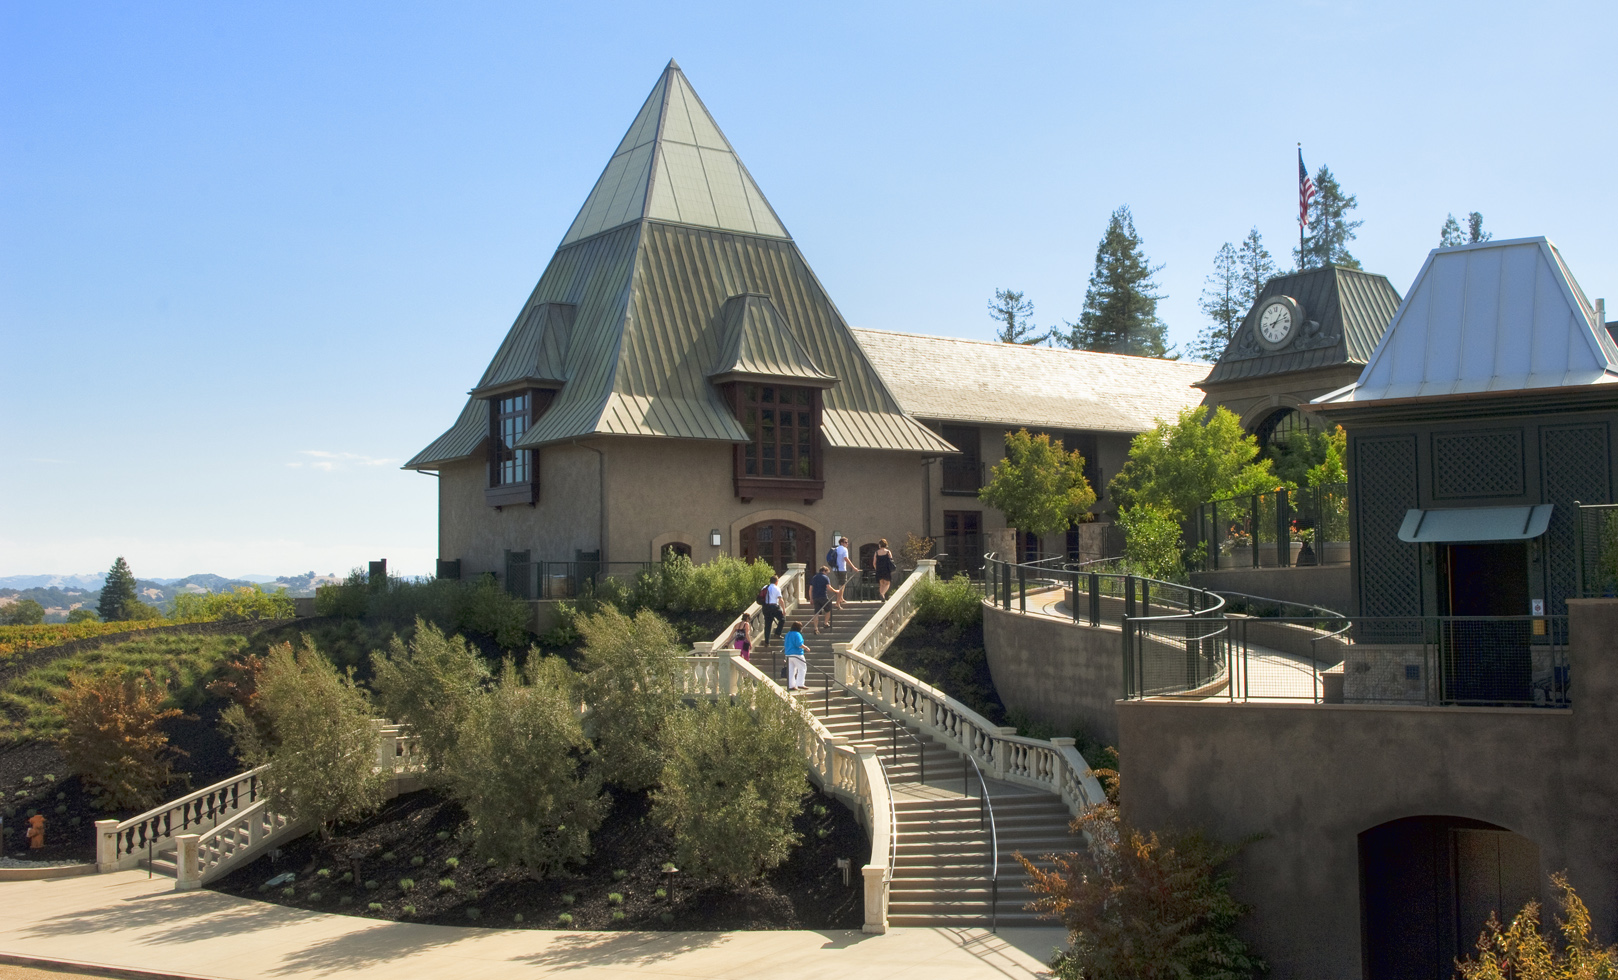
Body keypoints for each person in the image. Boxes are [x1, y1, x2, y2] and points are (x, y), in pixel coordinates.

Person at [809, 565, 841, 633]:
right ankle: (825, 623)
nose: (827, 574)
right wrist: (836, 591)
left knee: (816, 613)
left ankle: (816, 628)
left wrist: (811, 598)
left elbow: (810, 589)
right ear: (824, 571)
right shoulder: (825, 578)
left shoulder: (814, 577)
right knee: (828, 609)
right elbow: (828, 587)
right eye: (827, 572)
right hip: (823, 596)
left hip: (815, 597)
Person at [782, 621, 809, 691]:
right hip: (797, 654)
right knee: (802, 668)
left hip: (788, 654)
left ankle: (791, 685)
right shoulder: (797, 634)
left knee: (791, 670)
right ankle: (800, 683)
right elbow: (799, 644)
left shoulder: (788, 634)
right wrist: (806, 647)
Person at [761, 574, 784, 647]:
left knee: (768, 625)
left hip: (766, 607)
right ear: (776, 581)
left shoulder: (765, 587)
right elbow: (780, 600)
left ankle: (767, 642)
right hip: (774, 607)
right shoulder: (777, 588)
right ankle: (777, 633)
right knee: (782, 619)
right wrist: (783, 609)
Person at [834, 537, 855, 607]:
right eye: (846, 542)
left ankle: (841, 598)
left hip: (835, 570)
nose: (847, 544)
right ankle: (837, 602)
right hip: (842, 569)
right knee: (842, 586)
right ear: (841, 543)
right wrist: (853, 567)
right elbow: (846, 558)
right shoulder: (844, 549)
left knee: (841, 584)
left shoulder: (836, 549)